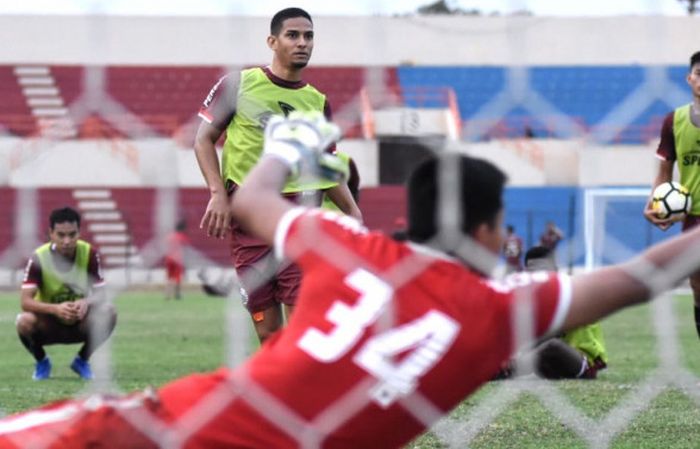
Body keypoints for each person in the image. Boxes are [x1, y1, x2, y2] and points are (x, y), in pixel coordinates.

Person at [2, 113, 700, 448]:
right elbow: (642, 275)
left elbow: (249, 201)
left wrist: (288, 146)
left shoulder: (346, 245)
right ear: (490, 231)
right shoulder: (501, 306)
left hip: (171, 424)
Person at [193, 7, 362, 343]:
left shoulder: (316, 101)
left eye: (309, 36)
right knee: (267, 330)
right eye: (293, 35)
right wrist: (216, 193)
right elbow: (203, 139)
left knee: (302, 319)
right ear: (272, 41)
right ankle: (281, 388)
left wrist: (353, 212)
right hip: (248, 218)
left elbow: (326, 165)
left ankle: (306, 389)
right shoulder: (239, 84)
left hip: (296, 218)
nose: (303, 43)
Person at [15, 207, 116, 381]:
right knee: (23, 321)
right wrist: (55, 309)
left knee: (109, 311)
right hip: (48, 324)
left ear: (79, 232)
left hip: (79, 322)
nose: (67, 241)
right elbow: (25, 302)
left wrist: (87, 301)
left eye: (72, 234)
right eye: (61, 235)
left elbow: (102, 294)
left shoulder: (89, 253)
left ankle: (81, 361)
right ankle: (42, 361)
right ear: (51, 233)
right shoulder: (39, 258)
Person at [645, 50, 700, 341]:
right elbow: (664, 171)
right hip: (694, 216)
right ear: (690, 78)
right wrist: (653, 202)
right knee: (699, 287)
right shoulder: (674, 120)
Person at [502, 246, 608, 380]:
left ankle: (505, 371)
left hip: (583, 361)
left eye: (544, 271)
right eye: (533, 273)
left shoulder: (572, 292)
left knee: (553, 345)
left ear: (556, 271)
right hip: (549, 362)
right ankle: (503, 368)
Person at [164, 218, 189, 301]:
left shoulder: (169, 236)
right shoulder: (182, 236)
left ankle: (167, 294)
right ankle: (177, 294)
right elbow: (185, 248)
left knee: (169, 277)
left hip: (168, 258)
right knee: (177, 277)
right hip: (177, 258)